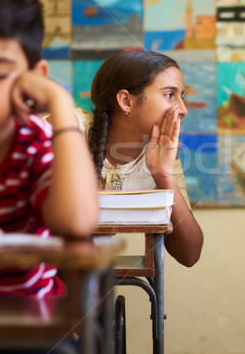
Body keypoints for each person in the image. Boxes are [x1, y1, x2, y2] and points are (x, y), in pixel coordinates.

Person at [0, 0, 98, 297]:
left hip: (30, 326)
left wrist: (60, 103)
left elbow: (77, 222)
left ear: (34, 78)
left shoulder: (34, 143)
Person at [77, 50, 203, 267]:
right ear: (126, 101)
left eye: (181, 96)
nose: (183, 110)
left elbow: (189, 255)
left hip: (84, 274)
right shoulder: (74, 128)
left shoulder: (164, 160)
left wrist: (163, 175)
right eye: (169, 95)